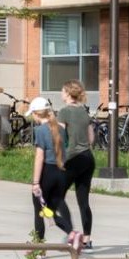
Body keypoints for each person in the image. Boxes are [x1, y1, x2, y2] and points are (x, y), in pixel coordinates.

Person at [27, 96, 82, 252]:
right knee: (50, 209)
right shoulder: (61, 129)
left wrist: (36, 182)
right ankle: (72, 232)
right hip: (61, 173)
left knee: (40, 211)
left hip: (47, 173)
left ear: (37, 114)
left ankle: (38, 245)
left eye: (32, 114)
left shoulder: (40, 131)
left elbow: (39, 157)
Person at [58, 80, 96, 249]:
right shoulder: (83, 111)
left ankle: (72, 233)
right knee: (83, 201)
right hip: (88, 158)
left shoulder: (64, 112)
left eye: (62, 91)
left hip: (73, 159)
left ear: (67, 93)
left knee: (57, 195)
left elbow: (59, 136)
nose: (61, 94)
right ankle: (87, 239)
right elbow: (91, 138)